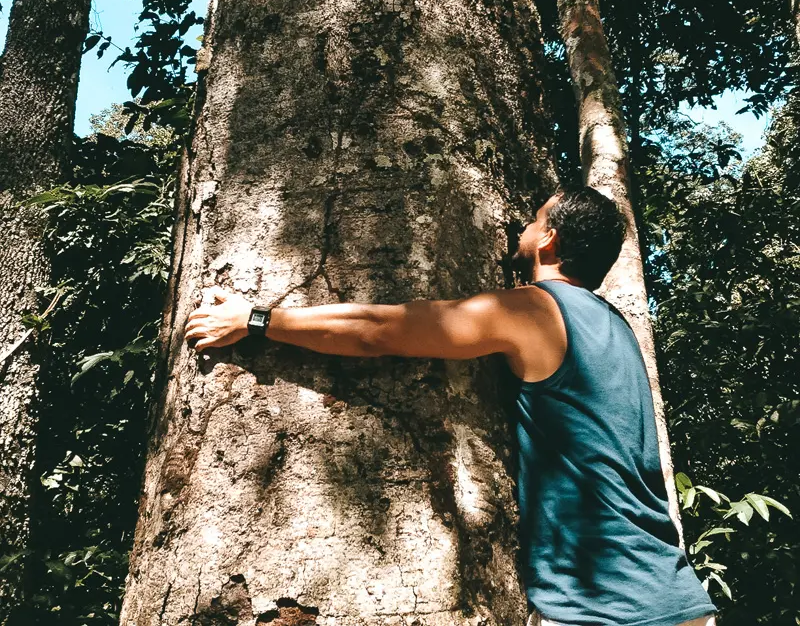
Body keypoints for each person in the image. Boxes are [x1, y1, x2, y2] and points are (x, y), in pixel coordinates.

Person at [185, 187, 717, 626]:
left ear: (550, 239)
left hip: (605, 606)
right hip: (676, 595)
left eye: (532, 223)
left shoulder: (535, 310)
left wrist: (256, 320)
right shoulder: (617, 328)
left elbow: (381, 330)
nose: (520, 232)